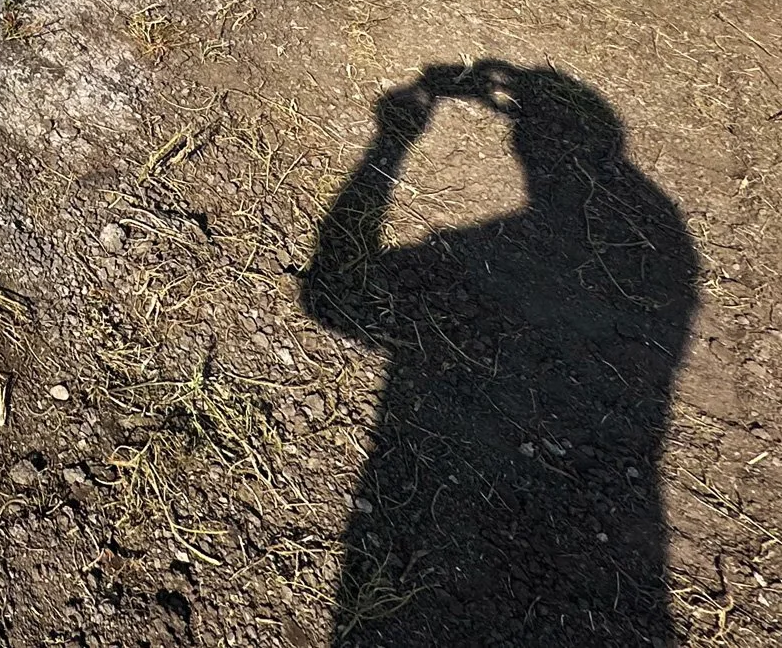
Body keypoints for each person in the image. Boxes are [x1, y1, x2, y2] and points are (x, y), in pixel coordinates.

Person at [300, 62, 699, 646]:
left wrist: (390, 143)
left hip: (446, 536)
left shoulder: (537, 240)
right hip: (610, 557)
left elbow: (334, 298)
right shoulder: (660, 233)